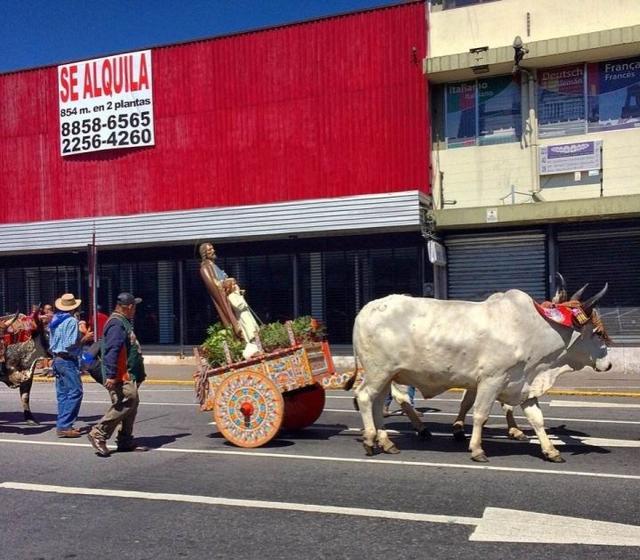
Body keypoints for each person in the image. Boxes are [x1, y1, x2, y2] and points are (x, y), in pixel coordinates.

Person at [87, 292, 147, 457]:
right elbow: (112, 351)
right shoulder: (116, 324)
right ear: (128, 307)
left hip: (127, 374)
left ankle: (125, 441)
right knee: (130, 399)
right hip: (119, 375)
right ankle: (98, 433)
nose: (135, 309)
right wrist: (112, 375)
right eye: (134, 306)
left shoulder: (123, 322)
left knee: (131, 404)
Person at [49, 293, 93, 437]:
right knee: (75, 392)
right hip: (67, 360)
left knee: (63, 394)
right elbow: (70, 344)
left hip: (57, 359)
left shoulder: (55, 320)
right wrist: (85, 338)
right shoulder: (71, 321)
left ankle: (63, 424)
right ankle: (64, 426)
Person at [198, 242, 243, 339]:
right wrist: (227, 283)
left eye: (212, 249)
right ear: (204, 253)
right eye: (210, 250)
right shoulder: (205, 267)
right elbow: (215, 285)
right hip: (224, 299)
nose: (213, 251)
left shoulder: (213, 265)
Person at [223, 278, 259, 342]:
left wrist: (239, 294)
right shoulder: (231, 296)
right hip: (243, 315)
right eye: (233, 284)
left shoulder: (235, 294)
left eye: (236, 284)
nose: (236, 286)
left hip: (246, 313)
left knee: (254, 330)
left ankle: (259, 346)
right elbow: (239, 306)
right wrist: (240, 295)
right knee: (250, 331)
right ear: (229, 286)